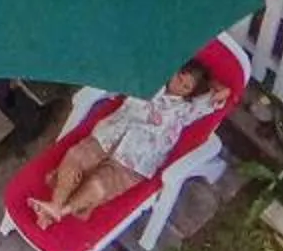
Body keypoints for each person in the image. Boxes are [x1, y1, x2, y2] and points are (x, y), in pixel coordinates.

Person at [27, 61, 222, 229]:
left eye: (186, 87)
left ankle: (61, 211)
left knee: (99, 186)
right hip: (108, 136)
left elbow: (223, 94)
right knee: (76, 157)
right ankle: (55, 204)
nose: (179, 86)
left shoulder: (186, 110)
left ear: (191, 94)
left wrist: (206, 82)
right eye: (179, 78)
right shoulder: (150, 80)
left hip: (135, 160)